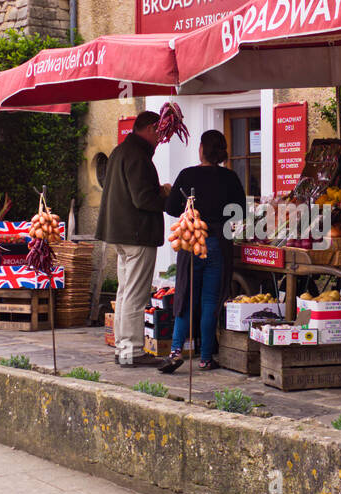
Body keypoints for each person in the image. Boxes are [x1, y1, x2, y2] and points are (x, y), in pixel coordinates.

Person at [160, 129, 246, 373]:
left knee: (185, 297)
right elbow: (240, 211)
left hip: (190, 242)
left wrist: (187, 209)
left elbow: (170, 207)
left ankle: (176, 351)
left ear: (202, 149)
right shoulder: (229, 178)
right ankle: (206, 358)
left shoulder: (187, 175)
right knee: (210, 301)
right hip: (218, 243)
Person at [95, 110, 172, 366]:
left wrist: (158, 191)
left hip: (120, 233)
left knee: (125, 292)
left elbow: (131, 192)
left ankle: (123, 348)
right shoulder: (138, 155)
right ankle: (132, 351)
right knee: (135, 295)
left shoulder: (121, 151)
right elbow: (143, 199)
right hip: (137, 234)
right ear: (149, 128)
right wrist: (166, 197)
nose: (160, 137)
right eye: (159, 132)